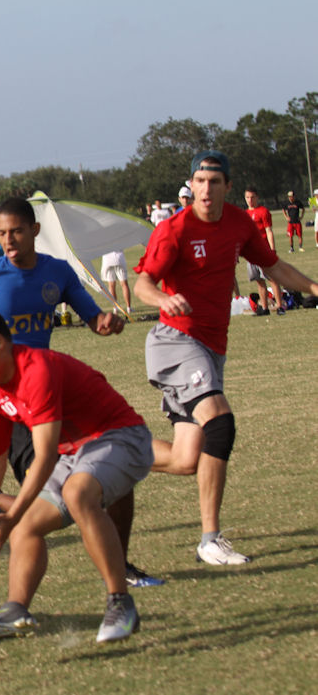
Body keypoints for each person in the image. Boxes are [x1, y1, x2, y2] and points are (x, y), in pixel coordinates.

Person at [0, 198, 157, 589]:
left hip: (51, 392)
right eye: (1, 233)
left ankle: (122, 565)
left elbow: (91, 316)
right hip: (15, 404)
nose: (8, 240)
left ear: (35, 232)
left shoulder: (57, 272)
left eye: (16, 232)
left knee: (110, 482)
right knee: (53, 495)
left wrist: (105, 323)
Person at [134, 150, 318, 565]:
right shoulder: (174, 229)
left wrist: (313, 288)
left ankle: (106, 452)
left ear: (227, 187)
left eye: (214, 182)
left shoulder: (238, 223)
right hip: (175, 341)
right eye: (199, 181)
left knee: (186, 459)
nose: (205, 189)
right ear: (191, 185)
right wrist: (163, 298)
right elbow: (143, 283)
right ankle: (209, 540)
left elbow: (273, 266)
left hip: (212, 347)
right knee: (220, 423)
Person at [0, 301, 153, 644]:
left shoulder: (37, 370)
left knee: (77, 494)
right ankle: (16, 610)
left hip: (121, 437)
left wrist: (12, 513)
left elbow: (46, 455)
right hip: (74, 453)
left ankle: (120, 604)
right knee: (27, 526)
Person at [244, 186, 285, 315]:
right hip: (251, 253)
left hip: (263, 251)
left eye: (252, 197)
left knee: (272, 279)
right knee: (259, 281)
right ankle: (264, 308)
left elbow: (269, 231)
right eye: (247, 197)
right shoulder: (245, 214)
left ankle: (280, 306)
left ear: (257, 197)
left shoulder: (263, 211)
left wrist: (272, 249)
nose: (250, 200)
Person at [100, 251, 132, 315]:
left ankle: (115, 308)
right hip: (119, 258)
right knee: (124, 284)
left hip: (107, 260)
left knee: (111, 285)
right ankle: (128, 308)